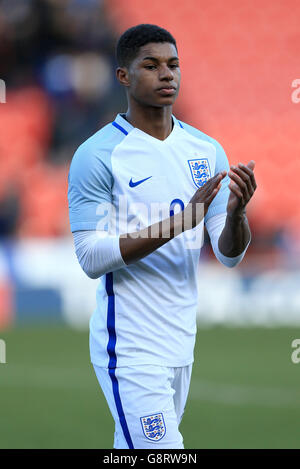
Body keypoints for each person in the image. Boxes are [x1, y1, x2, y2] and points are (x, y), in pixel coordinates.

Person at [67, 24, 257, 449]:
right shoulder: (97, 155)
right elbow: (91, 257)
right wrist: (178, 222)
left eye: (173, 65)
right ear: (124, 76)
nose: (166, 74)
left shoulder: (205, 150)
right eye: (151, 65)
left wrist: (237, 213)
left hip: (180, 343)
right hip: (130, 347)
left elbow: (228, 254)